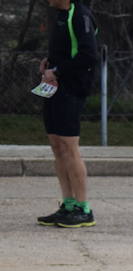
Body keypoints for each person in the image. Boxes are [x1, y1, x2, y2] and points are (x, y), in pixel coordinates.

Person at [35, 0, 99, 229]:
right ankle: (68, 204)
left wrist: (58, 71)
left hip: (72, 89)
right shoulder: (60, 15)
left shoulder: (79, 15)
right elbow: (65, 50)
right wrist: (49, 63)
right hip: (54, 88)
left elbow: (89, 55)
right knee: (56, 144)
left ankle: (84, 209)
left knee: (70, 147)